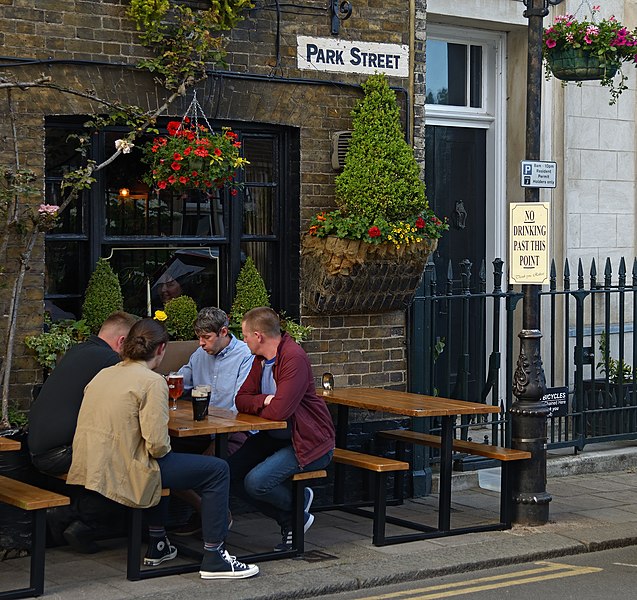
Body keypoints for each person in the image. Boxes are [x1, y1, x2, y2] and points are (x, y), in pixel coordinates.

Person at [66, 318, 259, 579]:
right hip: (127, 469)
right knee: (217, 469)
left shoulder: (105, 373)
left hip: (92, 463)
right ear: (160, 349)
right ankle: (214, 557)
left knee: (171, 461)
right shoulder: (152, 381)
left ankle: (158, 543)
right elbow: (156, 445)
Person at [226, 307, 335, 551]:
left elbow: (279, 412)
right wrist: (265, 400)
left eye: (245, 335)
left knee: (256, 482)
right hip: (274, 437)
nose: (243, 340)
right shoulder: (260, 359)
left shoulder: (293, 358)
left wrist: (265, 405)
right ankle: (293, 517)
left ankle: (294, 512)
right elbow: (240, 398)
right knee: (228, 474)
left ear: (259, 335)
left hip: (308, 442)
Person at [28, 311, 138, 552]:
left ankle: (73, 519)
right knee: (130, 469)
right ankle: (73, 518)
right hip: (60, 453)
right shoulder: (109, 361)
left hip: (38, 447)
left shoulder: (78, 350)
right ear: (122, 342)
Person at [170, 307, 254, 536]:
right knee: (163, 458)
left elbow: (241, 403)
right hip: (202, 430)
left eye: (206, 337)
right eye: (199, 337)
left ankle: (211, 521)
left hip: (236, 431)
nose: (201, 343)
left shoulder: (245, 356)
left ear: (224, 332)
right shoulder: (199, 355)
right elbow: (181, 381)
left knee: (205, 466)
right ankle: (207, 511)